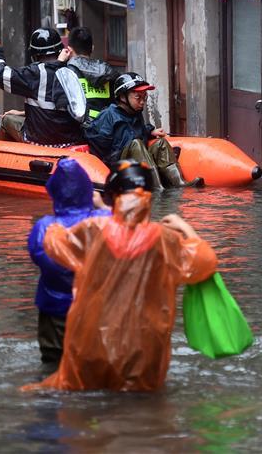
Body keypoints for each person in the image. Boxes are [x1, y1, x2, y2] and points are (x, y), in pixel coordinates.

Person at [22, 160, 218, 392]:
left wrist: (60, 219)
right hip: (147, 344)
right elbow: (204, 261)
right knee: (145, 403)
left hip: (97, 339)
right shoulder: (164, 239)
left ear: (112, 196)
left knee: (82, 396)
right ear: (149, 196)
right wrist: (184, 228)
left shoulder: (94, 229)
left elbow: (53, 244)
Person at [28, 158, 111, 365]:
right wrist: (104, 207)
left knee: (52, 362)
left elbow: (38, 256)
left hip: (53, 309)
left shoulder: (44, 227)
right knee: (92, 363)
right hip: (93, 311)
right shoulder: (103, 221)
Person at [85, 72, 201, 187]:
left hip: (137, 160)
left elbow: (132, 131)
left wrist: (149, 131)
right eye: (138, 97)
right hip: (119, 165)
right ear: (122, 97)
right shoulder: (108, 115)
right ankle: (157, 187)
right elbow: (98, 143)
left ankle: (179, 182)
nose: (142, 102)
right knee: (136, 143)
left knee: (160, 143)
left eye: (144, 97)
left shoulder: (135, 113)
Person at [0, 28, 86, 147]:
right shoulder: (71, 71)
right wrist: (22, 113)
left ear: (34, 55)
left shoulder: (34, 74)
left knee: (6, 120)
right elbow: (57, 109)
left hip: (40, 141)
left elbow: (1, 76)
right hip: (72, 139)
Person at [65, 26, 117, 121]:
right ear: (92, 48)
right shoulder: (109, 71)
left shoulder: (66, 74)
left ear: (69, 50)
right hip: (107, 129)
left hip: (78, 131)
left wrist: (59, 63)